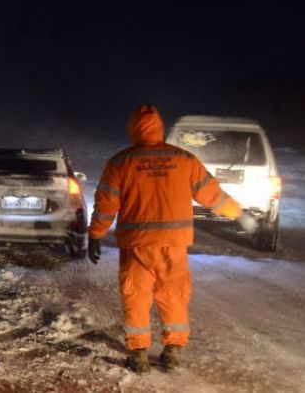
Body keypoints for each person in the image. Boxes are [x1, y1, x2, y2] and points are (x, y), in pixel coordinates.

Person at [88, 105, 256, 373]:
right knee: (174, 295)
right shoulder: (184, 160)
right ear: (160, 128)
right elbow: (212, 195)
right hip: (173, 245)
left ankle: (139, 354)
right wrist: (239, 214)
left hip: (136, 246)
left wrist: (95, 235)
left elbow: (106, 204)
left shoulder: (120, 163)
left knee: (136, 296)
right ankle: (173, 352)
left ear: (133, 129)